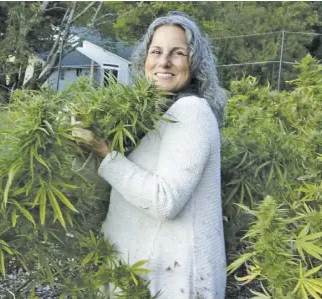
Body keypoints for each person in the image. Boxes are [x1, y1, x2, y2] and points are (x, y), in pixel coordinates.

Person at [78, 11, 227, 299]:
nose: (163, 62)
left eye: (178, 53)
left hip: (171, 282)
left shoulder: (191, 112)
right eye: (156, 51)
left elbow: (165, 201)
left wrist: (106, 154)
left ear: (194, 62)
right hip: (145, 275)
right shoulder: (156, 114)